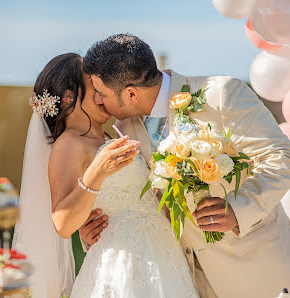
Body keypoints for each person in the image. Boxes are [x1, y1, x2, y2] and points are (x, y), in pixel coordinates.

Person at [79, 33, 290, 298]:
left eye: (101, 93)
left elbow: (280, 156)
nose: (98, 101)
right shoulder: (124, 128)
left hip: (254, 268)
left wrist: (238, 210)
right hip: (183, 278)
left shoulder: (222, 93)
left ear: (131, 93)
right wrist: (97, 235)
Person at [13, 52, 198, 298]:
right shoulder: (68, 145)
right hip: (122, 265)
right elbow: (63, 223)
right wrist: (97, 171)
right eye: (95, 86)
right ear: (69, 96)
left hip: (164, 255)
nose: (104, 91)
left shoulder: (112, 134)